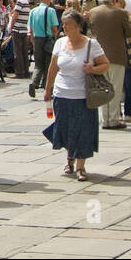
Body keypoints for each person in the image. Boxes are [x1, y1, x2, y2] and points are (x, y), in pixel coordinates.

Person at [44, 11, 110, 181]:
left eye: (68, 24)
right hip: (61, 93)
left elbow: (105, 64)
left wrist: (93, 69)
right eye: (63, 24)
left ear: (79, 27)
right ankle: (69, 160)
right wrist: (47, 89)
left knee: (83, 130)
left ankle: (81, 166)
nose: (64, 27)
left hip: (83, 95)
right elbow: (53, 68)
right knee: (65, 129)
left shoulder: (91, 45)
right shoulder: (59, 43)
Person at [88, 0, 131, 129]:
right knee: (115, 88)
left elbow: (90, 31)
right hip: (117, 55)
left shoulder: (93, 12)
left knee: (103, 88)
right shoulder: (121, 13)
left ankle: (105, 119)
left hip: (98, 56)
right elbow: (129, 33)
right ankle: (113, 119)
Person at [27, 0, 58, 99]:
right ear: (49, 0)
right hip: (47, 39)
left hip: (36, 39)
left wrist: (32, 40)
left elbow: (30, 29)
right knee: (49, 64)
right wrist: (55, 38)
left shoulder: (33, 11)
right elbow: (54, 28)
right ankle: (47, 88)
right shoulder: (50, 11)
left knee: (38, 64)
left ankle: (34, 83)